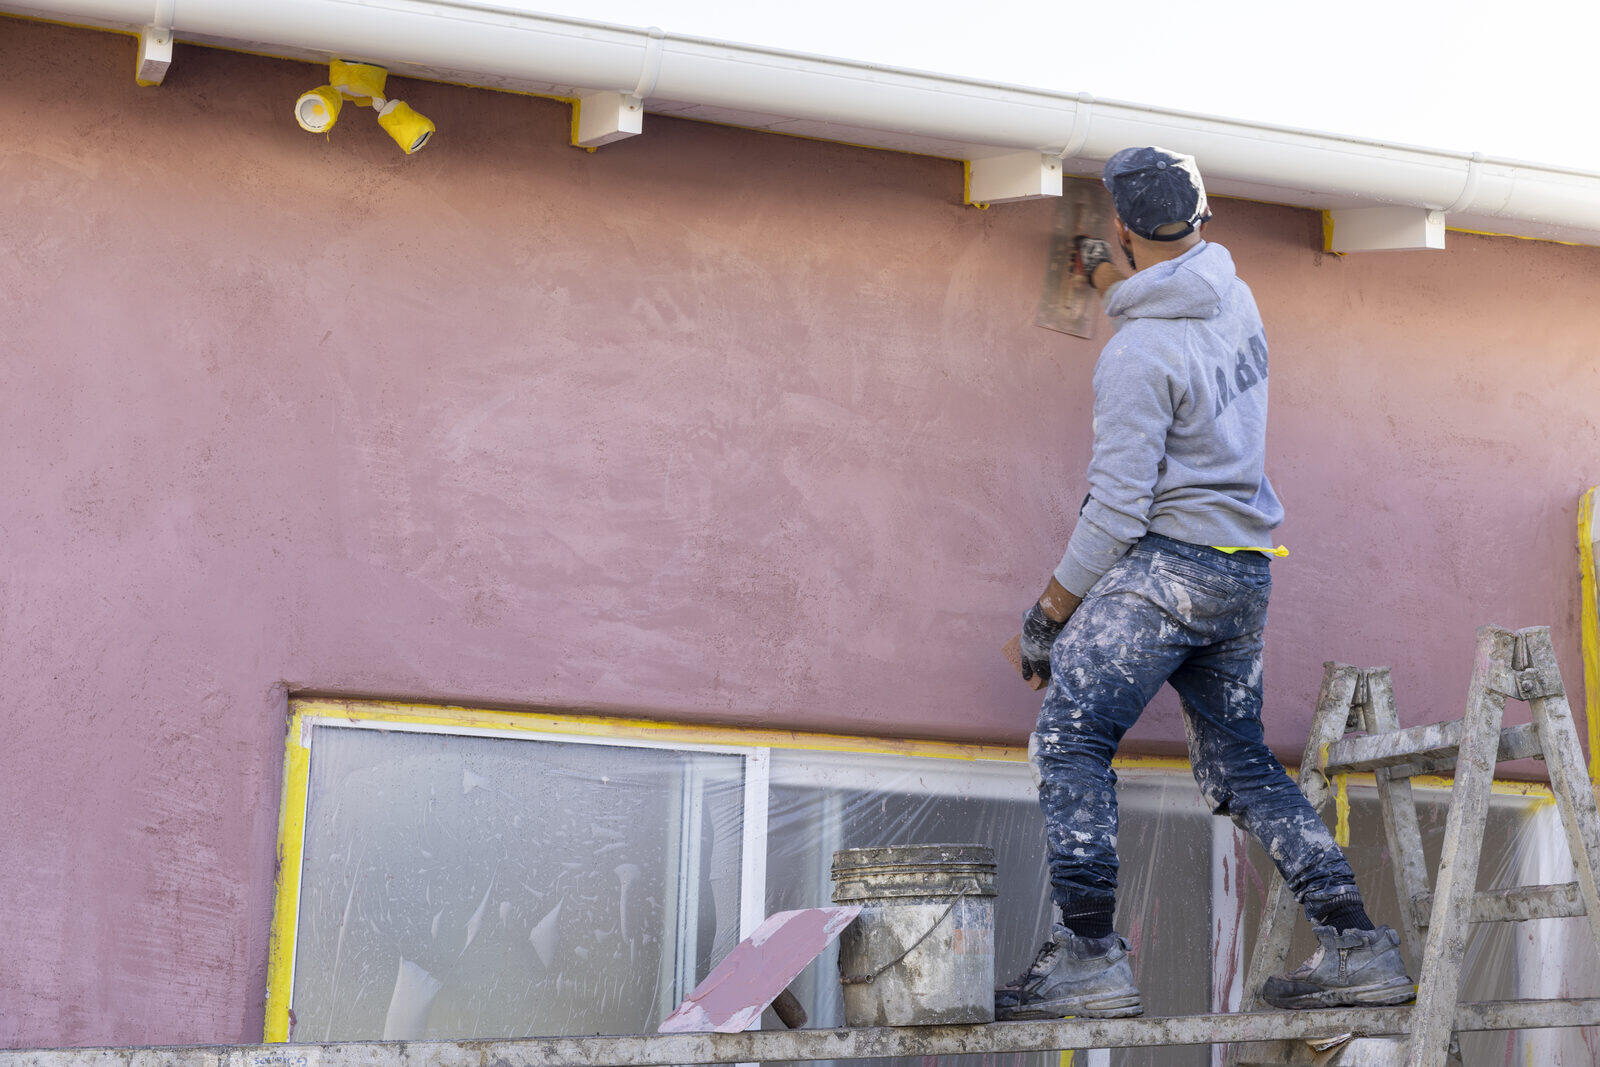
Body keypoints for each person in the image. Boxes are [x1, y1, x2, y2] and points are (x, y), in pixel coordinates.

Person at [995, 147, 1414, 1021]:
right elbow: (1177, 306)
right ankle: (1358, 945)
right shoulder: (1235, 295)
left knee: (1070, 734)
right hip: (1243, 575)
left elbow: (1115, 513)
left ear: (1121, 226)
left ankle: (1089, 957)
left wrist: (1046, 617)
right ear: (1200, 217)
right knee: (1240, 764)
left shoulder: (1135, 358)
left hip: (1171, 572)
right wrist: (1116, 280)